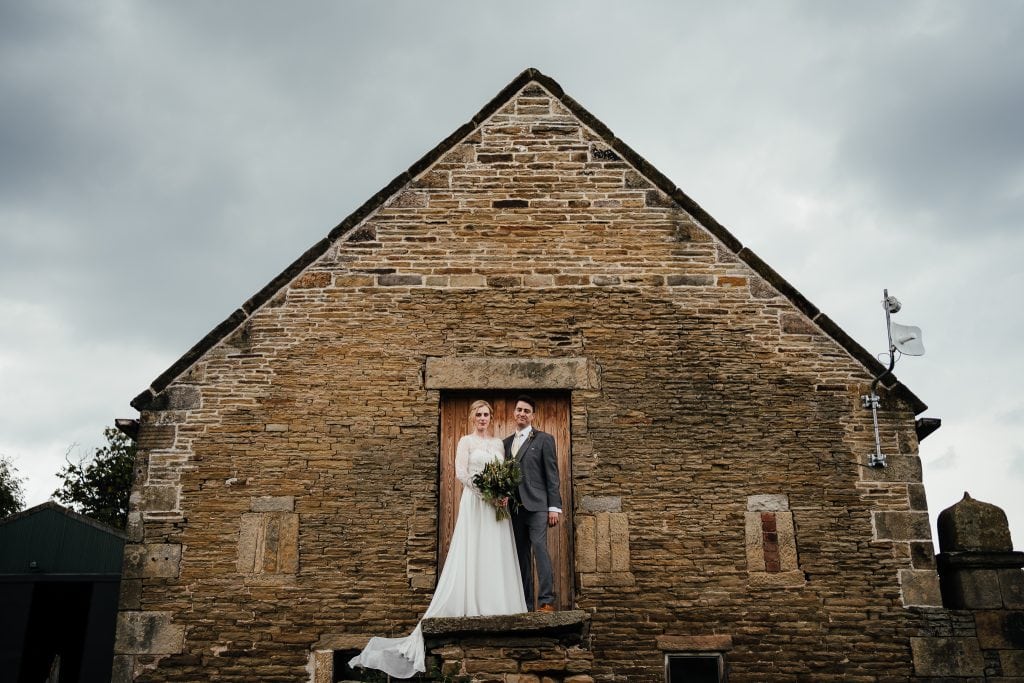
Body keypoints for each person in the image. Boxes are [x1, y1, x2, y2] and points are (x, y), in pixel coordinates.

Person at [348, 400, 526, 678]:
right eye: (478, 414)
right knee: (474, 549)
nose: (482, 418)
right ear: (472, 418)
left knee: (496, 551)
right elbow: (461, 473)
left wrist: (502, 493)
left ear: (492, 418)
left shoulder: (499, 445)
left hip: (496, 507)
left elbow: (503, 474)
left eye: (486, 415)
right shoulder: (466, 441)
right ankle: (473, 600)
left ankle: (499, 603)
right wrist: (486, 494)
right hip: (476, 503)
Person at [504, 395, 562, 612]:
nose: (522, 413)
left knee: (539, 548)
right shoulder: (505, 443)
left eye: (526, 411)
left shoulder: (544, 439)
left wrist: (554, 507)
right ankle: (526, 604)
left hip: (538, 506)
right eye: (519, 409)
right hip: (515, 509)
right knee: (521, 557)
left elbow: (552, 475)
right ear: (514, 412)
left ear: (533, 416)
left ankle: (546, 600)